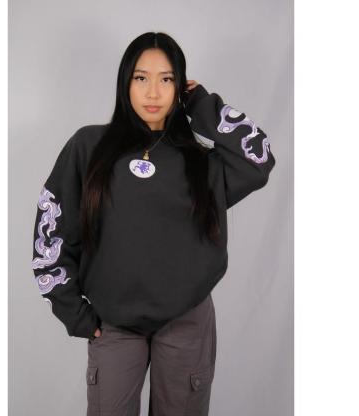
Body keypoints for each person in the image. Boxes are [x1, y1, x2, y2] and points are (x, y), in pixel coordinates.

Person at [31, 32, 275, 416]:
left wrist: (200, 103)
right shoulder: (88, 147)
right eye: (141, 78)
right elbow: (51, 235)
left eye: (167, 79)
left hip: (186, 321)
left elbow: (258, 158)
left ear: (179, 87)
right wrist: (75, 313)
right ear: (125, 81)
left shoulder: (199, 162)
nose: (153, 92)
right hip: (113, 323)